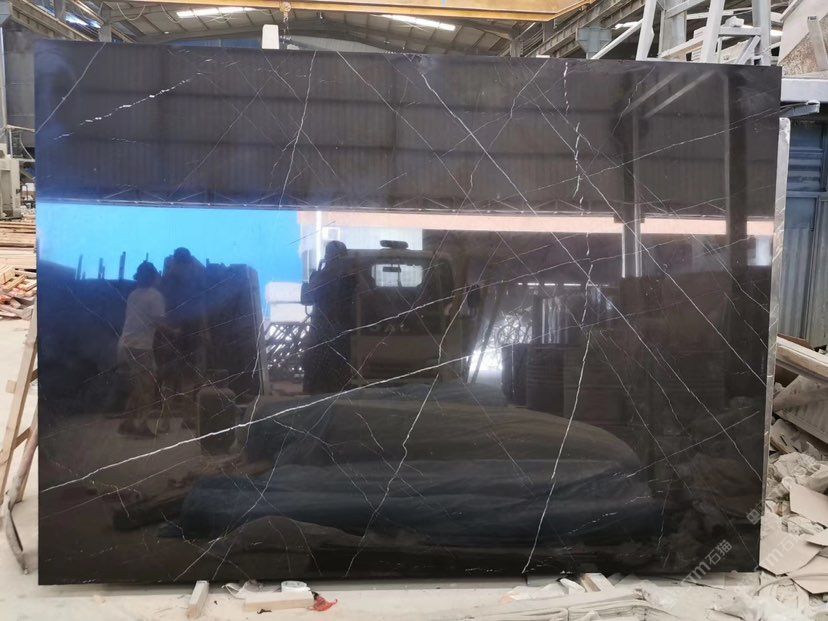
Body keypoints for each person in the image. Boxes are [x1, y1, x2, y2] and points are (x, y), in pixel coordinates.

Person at [117, 261, 169, 437]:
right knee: (148, 387)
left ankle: (127, 422)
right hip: (141, 346)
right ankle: (142, 425)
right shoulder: (155, 296)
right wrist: (174, 332)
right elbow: (159, 322)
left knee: (138, 386)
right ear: (154, 277)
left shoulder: (133, 294)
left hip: (126, 344)